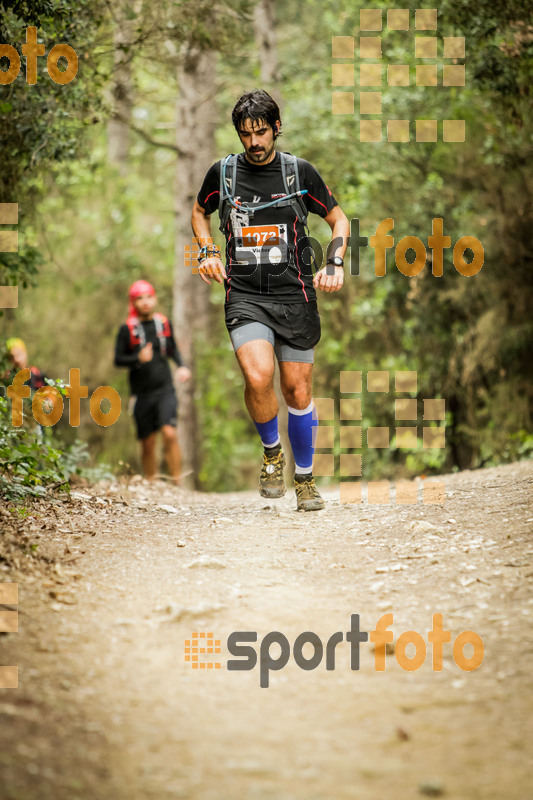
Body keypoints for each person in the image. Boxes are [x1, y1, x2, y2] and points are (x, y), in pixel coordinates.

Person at [191, 89, 349, 511]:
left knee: (297, 391)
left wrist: (333, 264)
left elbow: (339, 220)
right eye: (246, 134)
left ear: (276, 128)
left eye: (261, 132)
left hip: (294, 295)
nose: (254, 142)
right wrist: (206, 252)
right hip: (245, 295)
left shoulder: (299, 174)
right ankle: (271, 454)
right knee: (258, 376)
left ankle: (305, 478)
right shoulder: (223, 175)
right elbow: (198, 212)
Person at [114, 280, 191, 484]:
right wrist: (138, 358)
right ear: (133, 302)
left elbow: (173, 348)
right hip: (141, 394)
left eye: (149, 297)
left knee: (169, 432)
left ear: (155, 299)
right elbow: (118, 359)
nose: (146, 302)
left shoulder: (163, 323)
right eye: (140, 298)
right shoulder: (126, 329)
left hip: (165, 389)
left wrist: (181, 366)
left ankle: (177, 482)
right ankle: (152, 483)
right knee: (147, 443)